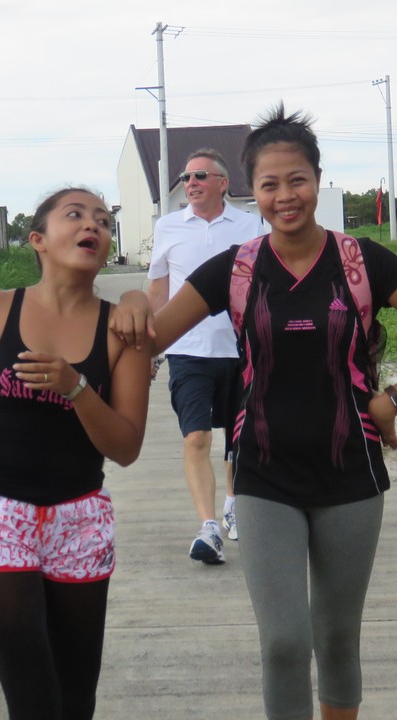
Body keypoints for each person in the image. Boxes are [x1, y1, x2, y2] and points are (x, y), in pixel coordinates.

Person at [110, 105, 397, 720]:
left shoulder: (362, 261)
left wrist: (393, 400)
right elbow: (150, 339)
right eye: (270, 184)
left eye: (297, 180)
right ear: (252, 192)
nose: (285, 196)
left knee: (336, 638)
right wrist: (129, 297)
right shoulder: (237, 268)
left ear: (318, 180)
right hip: (262, 473)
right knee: (284, 644)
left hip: (350, 473)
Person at [0, 188, 151, 719]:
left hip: (80, 520)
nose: (92, 226)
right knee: (34, 699)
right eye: (75, 215)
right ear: (38, 240)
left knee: (76, 699)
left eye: (103, 221)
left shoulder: (122, 330)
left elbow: (126, 447)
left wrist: (76, 388)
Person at [148, 147, 264, 563]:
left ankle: (233, 504)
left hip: (239, 349)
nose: (190, 183)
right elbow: (158, 290)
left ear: (223, 183)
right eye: (186, 177)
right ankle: (208, 526)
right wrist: (151, 348)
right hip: (187, 350)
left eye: (199, 176)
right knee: (196, 436)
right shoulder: (168, 227)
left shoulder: (251, 225)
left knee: (239, 440)